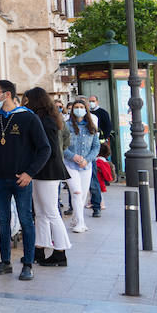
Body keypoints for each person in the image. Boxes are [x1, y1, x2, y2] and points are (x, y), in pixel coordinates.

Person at [0, 80, 51, 281]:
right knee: (3, 220)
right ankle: (5, 261)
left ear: (8, 94)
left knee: (25, 219)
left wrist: (30, 173)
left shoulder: (28, 118)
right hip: (0, 179)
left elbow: (44, 149)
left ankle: (28, 263)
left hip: (22, 178)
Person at [25, 87, 72, 267]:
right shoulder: (44, 118)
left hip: (48, 171)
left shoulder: (46, 120)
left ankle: (60, 252)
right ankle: (40, 247)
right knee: (41, 213)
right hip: (41, 171)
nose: (26, 104)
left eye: (28, 100)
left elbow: (49, 149)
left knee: (51, 212)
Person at [65, 98, 99, 234]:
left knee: (83, 194)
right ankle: (80, 222)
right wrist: (73, 156)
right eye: (76, 107)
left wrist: (88, 159)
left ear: (86, 110)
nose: (79, 109)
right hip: (70, 164)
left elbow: (96, 146)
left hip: (86, 165)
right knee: (76, 192)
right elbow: (61, 145)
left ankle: (75, 218)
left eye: (81, 106)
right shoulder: (66, 126)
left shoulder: (91, 126)